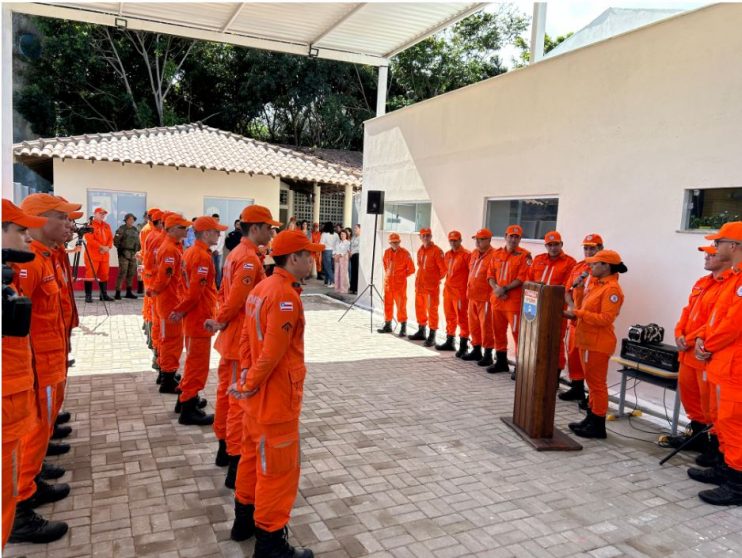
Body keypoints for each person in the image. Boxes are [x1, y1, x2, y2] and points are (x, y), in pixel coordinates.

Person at [229, 229, 321, 557]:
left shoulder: (262, 288)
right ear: (292, 258)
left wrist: (244, 382)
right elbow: (272, 353)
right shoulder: (284, 295)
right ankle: (269, 544)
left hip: (257, 400)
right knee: (277, 473)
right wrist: (249, 383)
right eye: (307, 254)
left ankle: (242, 522)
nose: (312, 259)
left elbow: (244, 340)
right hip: (275, 399)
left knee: (251, 460)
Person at [10, 194, 80, 543]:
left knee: (42, 428)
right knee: (36, 430)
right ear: (39, 220)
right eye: (63, 218)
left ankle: (30, 481)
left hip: (51, 357)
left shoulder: (49, 256)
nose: (69, 225)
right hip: (39, 364)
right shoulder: (30, 263)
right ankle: (20, 504)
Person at [204, 205, 279, 489]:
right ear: (256, 227)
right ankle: (235, 460)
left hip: (233, 337)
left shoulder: (239, 253)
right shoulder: (247, 258)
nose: (272, 232)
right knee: (237, 401)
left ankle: (225, 449)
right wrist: (220, 320)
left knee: (226, 394)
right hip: (238, 339)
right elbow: (237, 297)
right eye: (269, 227)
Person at [690, 221, 742, 506]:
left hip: (735, 367)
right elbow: (715, 320)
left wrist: (706, 344)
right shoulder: (733, 279)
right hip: (723, 363)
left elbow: (733, 325)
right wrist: (702, 340)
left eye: (719, 242)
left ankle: (736, 485)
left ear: (733, 246)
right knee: (724, 422)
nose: (715, 247)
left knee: (734, 425)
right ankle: (725, 469)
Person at [667, 244, 731, 457]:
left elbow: (717, 322)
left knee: (709, 405)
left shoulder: (727, 285)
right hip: (687, 353)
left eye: (711, 254)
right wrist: (679, 333)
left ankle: (713, 447)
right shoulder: (702, 283)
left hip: (703, 354)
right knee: (690, 398)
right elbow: (687, 311)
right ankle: (697, 436)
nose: (706, 257)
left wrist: (691, 338)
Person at [564, 249, 627, 439]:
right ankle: (591, 418)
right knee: (591, 384)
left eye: (594, 263)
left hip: (598, 344)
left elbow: (605, 319)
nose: (590, 266)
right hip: (587, 340)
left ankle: (598, 424)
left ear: (606, 266)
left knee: (597, 385)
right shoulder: (596, 284)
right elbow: (583, 307)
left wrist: (579, 314)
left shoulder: (612, 289)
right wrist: (579, 290)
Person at [170, 216, 227, 425]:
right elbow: (195, 293)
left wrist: (181, 310)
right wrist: (180, 310)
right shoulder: (201, 257)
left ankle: (185, 399)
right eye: (216, 231)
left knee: (193, 363)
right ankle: (188, 409)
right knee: (197, 366)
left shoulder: (191, 252)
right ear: (205, 233)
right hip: (199, 318)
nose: (219, 235)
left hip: (195, 317)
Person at [148, 214, 191, 394]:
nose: (186, 231)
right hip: (169, 301)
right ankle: (167, 378)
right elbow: (164, 277)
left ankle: (167, 373)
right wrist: (155, 290)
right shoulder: (170, 249)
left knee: (169, 339)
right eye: (182, 228)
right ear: (172, 229)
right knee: (171, 341)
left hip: (170, 299)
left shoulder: (172, 247)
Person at [560, 234, 604, 401]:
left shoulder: (603, 270)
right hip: (575, 319)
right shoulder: (579, 268)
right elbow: (567, 291)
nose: (588, 251)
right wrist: (572, 307)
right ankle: (576, 387)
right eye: (586, 248)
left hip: (590, 322)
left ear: (600, 249)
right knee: (573, 354)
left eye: (592, 248)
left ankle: (591, 396)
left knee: (589, 359)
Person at [527, 231, 576, 377]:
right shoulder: (538, 259)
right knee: (535, 338)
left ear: (561, 244)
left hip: (556, 309)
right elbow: (529, 280)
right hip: (535, 307)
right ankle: (536, 370)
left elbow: (567, 287)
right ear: (546, 246)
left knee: (556, 342)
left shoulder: (570, 262)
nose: (553, 248)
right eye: (550, 245)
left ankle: (555, 374)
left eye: (556, 244)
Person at [486, 225, 531, 374]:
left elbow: (522, 278)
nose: (513, 239)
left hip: (514, 303)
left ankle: (521, 367)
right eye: (511, 236)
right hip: (498, 300)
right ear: (505, 236)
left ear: (520, 239)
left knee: (517, 335)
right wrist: (497, 289)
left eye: (516, 237)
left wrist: (504, 289)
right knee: (498, 332)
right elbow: (490, 275)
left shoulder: (525, 256)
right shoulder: (496, 254)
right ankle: (501, 362)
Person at [463, 228, 497, 366]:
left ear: (489, 240)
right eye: (476, 239)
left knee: (486, 326)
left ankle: (488, 354)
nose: (477, 241)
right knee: (474, 325)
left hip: (486, 297)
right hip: (472, 296)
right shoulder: (474, 253)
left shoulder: (494, 255)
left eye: (481, 239)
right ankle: (476, 350)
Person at [409, 228, 446, 346]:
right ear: (420, 237)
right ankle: (421, 331)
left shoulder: (437, 251)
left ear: (431, 236)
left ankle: (432, 336)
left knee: (432, 311)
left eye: (428, 235)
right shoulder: (420, 250)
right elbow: (421, 267)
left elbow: (444, 270)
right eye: (423, 235)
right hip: (420, 286)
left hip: (431, 288)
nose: (426, 237)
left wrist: (434, 281)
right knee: (419, 308)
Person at [436, 230, 471, 355]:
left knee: (462, 319)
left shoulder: (467, 255)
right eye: (451, 240)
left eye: (455, 240)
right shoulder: (447, 254)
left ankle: (463, 346)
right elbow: (445, 272)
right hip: (448, 291)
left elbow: (471, 274)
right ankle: (450, 341)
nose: (453, 242)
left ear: (460, 240)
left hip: (460, 293)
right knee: (449, 317)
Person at [377, 233, 415, 336]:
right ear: (389, 242)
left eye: (396, 242)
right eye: (392, 242)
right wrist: (389, 276)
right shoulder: (387, 252)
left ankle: (403, 328)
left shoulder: (405, 253)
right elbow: (386, 265)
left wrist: (401, 276)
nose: (394, 244)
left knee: (401, 306)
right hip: (388, 284)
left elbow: (412, 269)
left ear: (399, 242)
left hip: (399, 285)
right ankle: (388, 325)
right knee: (387, 305)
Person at [83, 207, 114, 302]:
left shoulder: (107, 226)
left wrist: (107, 247)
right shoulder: (90, 225)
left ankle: (103, 295)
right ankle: (88, 296)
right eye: (100, 213)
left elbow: (110, 239)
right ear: (95, 214)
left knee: (104, 274)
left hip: (104, 255)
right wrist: (101, 247)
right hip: (93, 255)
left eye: (104, 214)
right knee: (90, 275)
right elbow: (89, 239)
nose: (103, 215)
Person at [113, 212, 141, 300]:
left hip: (133, 254)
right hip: (124, 254)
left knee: (131, 273)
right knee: (122, 273)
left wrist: (138, 251)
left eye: (132, 219)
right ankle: (118, 292)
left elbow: (138, 241)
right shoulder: (121, 229)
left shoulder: (135, 229)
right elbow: (116, 241)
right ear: (126, 220)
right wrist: (120, 250)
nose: (131, 221)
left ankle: (129, 292)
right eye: (129, 219)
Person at [319, 222, 338, 286]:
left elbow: (321, 243)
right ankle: (326, 281)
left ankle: (333, 281)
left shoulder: (324, 234)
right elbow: (338, 243)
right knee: (331, 267)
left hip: (326, 251)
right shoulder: (336, 234)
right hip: (334, 251)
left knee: (327, 267)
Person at [333, 229, 351, 293]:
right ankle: (337, 287)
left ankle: (344, 288)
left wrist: (340, 255)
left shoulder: (348, 243)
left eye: (344, 234)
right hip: (337, 259)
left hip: (343, 259)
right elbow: (334, 249)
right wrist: (335, 255)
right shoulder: (338, 242)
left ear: (346, 235)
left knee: (343, 273)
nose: (342, 235)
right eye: (341, 234)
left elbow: (346, 250)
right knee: (337, 273)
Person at [212, 213, 226, 289]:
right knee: (212, 269)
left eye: (217, 219)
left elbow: (222, 241)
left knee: (219, 269)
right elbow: (208, 240)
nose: (215, 221)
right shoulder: (209, 228)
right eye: (214, 219)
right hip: (211, 252)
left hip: (219, 253)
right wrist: (213, 250)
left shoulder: (222, 229)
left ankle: (218, 285)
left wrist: (217, 250)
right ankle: (212, 284)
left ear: (219, 220)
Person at [349, 224, 360, 294]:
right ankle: (352, 288)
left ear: (360, 229)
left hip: (357, 255)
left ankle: (356, 288)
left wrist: (352, 252)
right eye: (354, 228)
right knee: (352, 272)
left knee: (356, 272)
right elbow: (351, 246)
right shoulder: (353, 237)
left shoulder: (361, 237)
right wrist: (350, 252)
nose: (354, 229)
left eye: (356, 228)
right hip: (352, 255)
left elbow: (359, 247)